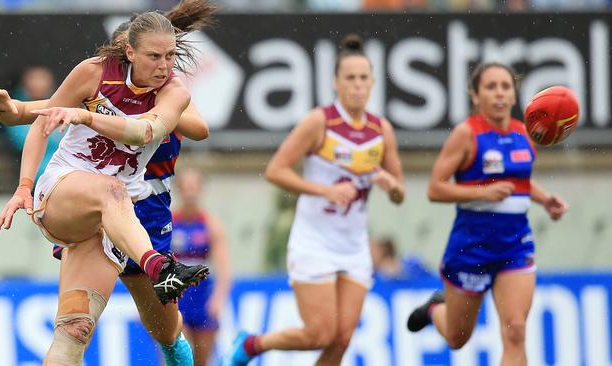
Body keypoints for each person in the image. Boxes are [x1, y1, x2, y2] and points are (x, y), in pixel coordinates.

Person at [0, 2, 216, 365]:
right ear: (128, 52)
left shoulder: (173, 92)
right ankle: (161, 267)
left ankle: (173, 339)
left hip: (144, 209)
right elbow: (34, 115)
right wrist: (10, 114)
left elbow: (171, 130)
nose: (163, 65)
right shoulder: (94, 76)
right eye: (153, 56)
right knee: (75, 322)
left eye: (168, 56)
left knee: (163, 328)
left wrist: (93, 115)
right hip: (80, 195)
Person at [223, 34, 406, 366]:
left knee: (343, 338)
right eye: (350, 78)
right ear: (336, 82)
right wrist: (324, 190)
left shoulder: (382, 130)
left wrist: (388, 183)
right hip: (314, 241)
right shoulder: (320, 121)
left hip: (353, 245)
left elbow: (400, 194)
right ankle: (253, 344)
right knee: (320, 333)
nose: (357, 85)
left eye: (364, 78)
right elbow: (277, 170)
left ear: (373, 82)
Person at [406, 62, 568, 366]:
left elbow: (519, 182)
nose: (499, 94)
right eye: (491, 87)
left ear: (515, 94)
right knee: (457, 337)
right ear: (475, 95)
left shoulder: (525, 134)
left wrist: (545, 199)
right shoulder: (466, 135)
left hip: (515, 246)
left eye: (505, 87)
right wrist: (482, 192)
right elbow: (435, 188)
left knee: (516, 332)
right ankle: (433, 310)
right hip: (471, 248)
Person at [171, 168, 231, 366]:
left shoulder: (210, 224)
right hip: (177, 295)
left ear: (200, 190)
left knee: (202, 360)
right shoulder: (170, 223)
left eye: (194, 187)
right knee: (178, 356)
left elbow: (224, 269)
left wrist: (218, 299)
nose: (190, 192)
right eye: (186, 187)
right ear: (179, 189)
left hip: (202, 295)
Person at [5, 65, 59, 180]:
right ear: (25, 82)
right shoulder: (14, 105)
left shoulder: (62, 102)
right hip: (31, 173)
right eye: (34, 78)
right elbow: (20, 140)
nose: (38, 84)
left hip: (61, 170)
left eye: (42, 79)